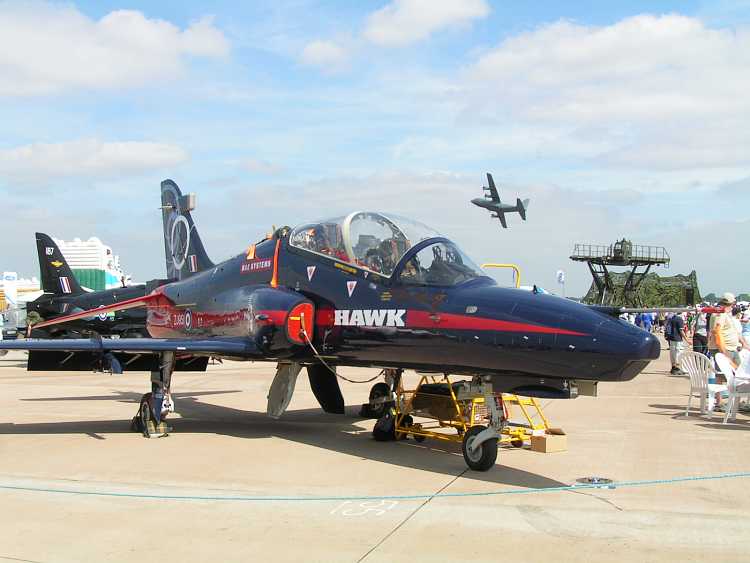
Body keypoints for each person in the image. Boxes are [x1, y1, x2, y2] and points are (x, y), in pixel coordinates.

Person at [708, 293, 742, 370]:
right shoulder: (720, 313)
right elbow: (717, 332)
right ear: (732, 303)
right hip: (724, 349)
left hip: (731, 348)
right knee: (724, 375)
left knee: (739, 372)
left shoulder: (725, 313)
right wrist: (723, 352)